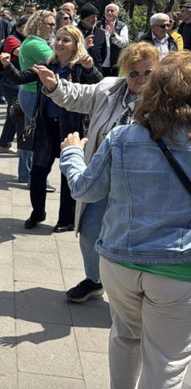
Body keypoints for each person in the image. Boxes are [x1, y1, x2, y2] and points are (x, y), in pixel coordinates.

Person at [59, 50, 191, 389]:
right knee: (167, 361)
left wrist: (72, 152)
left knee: (125, 336)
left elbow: (84, 189)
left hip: (119, 262)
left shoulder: (123, 137)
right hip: (178, 269)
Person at [33, 42, 159, 303]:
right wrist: (55, 86)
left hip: (141, 185)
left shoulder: (163, 99)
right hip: (103, 174)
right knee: (90, 230)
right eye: (133, 73)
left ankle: (138, 292)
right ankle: (95, 280)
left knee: (134, 239)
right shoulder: (109, 88)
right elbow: (79, 95)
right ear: (125, 71)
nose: (140, 79)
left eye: (147, 73)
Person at [1, 25, 103, 230]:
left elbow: (100, 86)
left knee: (68, 175)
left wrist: (90, 69)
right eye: (58, 39)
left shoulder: (81, 65)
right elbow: (21, 78)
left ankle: (66, 220)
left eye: (66, 40)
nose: (59, 43)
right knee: (38, 173)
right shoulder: (47, 64)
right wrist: (6, 65)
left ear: (76, 44)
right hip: (46, 126)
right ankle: (37, 213)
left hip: (72, 128)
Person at [14, 10, 56, 190]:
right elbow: (57, 61)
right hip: (33, 94)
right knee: (37, 137)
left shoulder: (29, 41)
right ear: (39, 25)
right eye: (50, 24)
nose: (53, 28)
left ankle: (24, 174)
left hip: (27, 92)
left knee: (28, 134)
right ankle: (36, 179)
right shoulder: (38, 45)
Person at [0, 15, 29, 159]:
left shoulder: (23, 40)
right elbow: (22, 54)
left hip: (18, 83)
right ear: (20, 27)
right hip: (10, 84)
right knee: (17, 114)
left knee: (13, 114)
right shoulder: (11, 39)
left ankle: (4, 144)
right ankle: (16, 146)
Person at [92, 3, 129, 76]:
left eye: (112, 11)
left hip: (114, 63)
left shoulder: (122, 26)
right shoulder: (97, 25)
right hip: (99, 61)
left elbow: (124, 43)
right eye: (107, 11)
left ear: (117, 13)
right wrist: (100, 35)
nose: (109, 13)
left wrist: (113, 35)